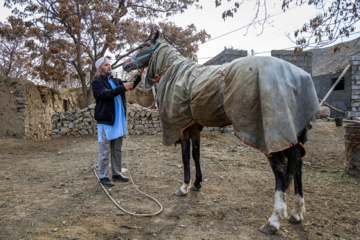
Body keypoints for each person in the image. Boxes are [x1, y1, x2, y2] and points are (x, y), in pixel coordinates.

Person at [92, 57, 143, 187]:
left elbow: (130, 84)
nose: (109, 67)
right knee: (104, 151)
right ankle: (103, 176)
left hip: (118, 121)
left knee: (117, 149)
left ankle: (116, 173)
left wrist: (138, 75)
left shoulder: (116, 81)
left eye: (109, 64)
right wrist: (122, 87)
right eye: (106, 65)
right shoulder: (97, 83)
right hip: (106, 122)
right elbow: (105, 94)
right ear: (100, 69)